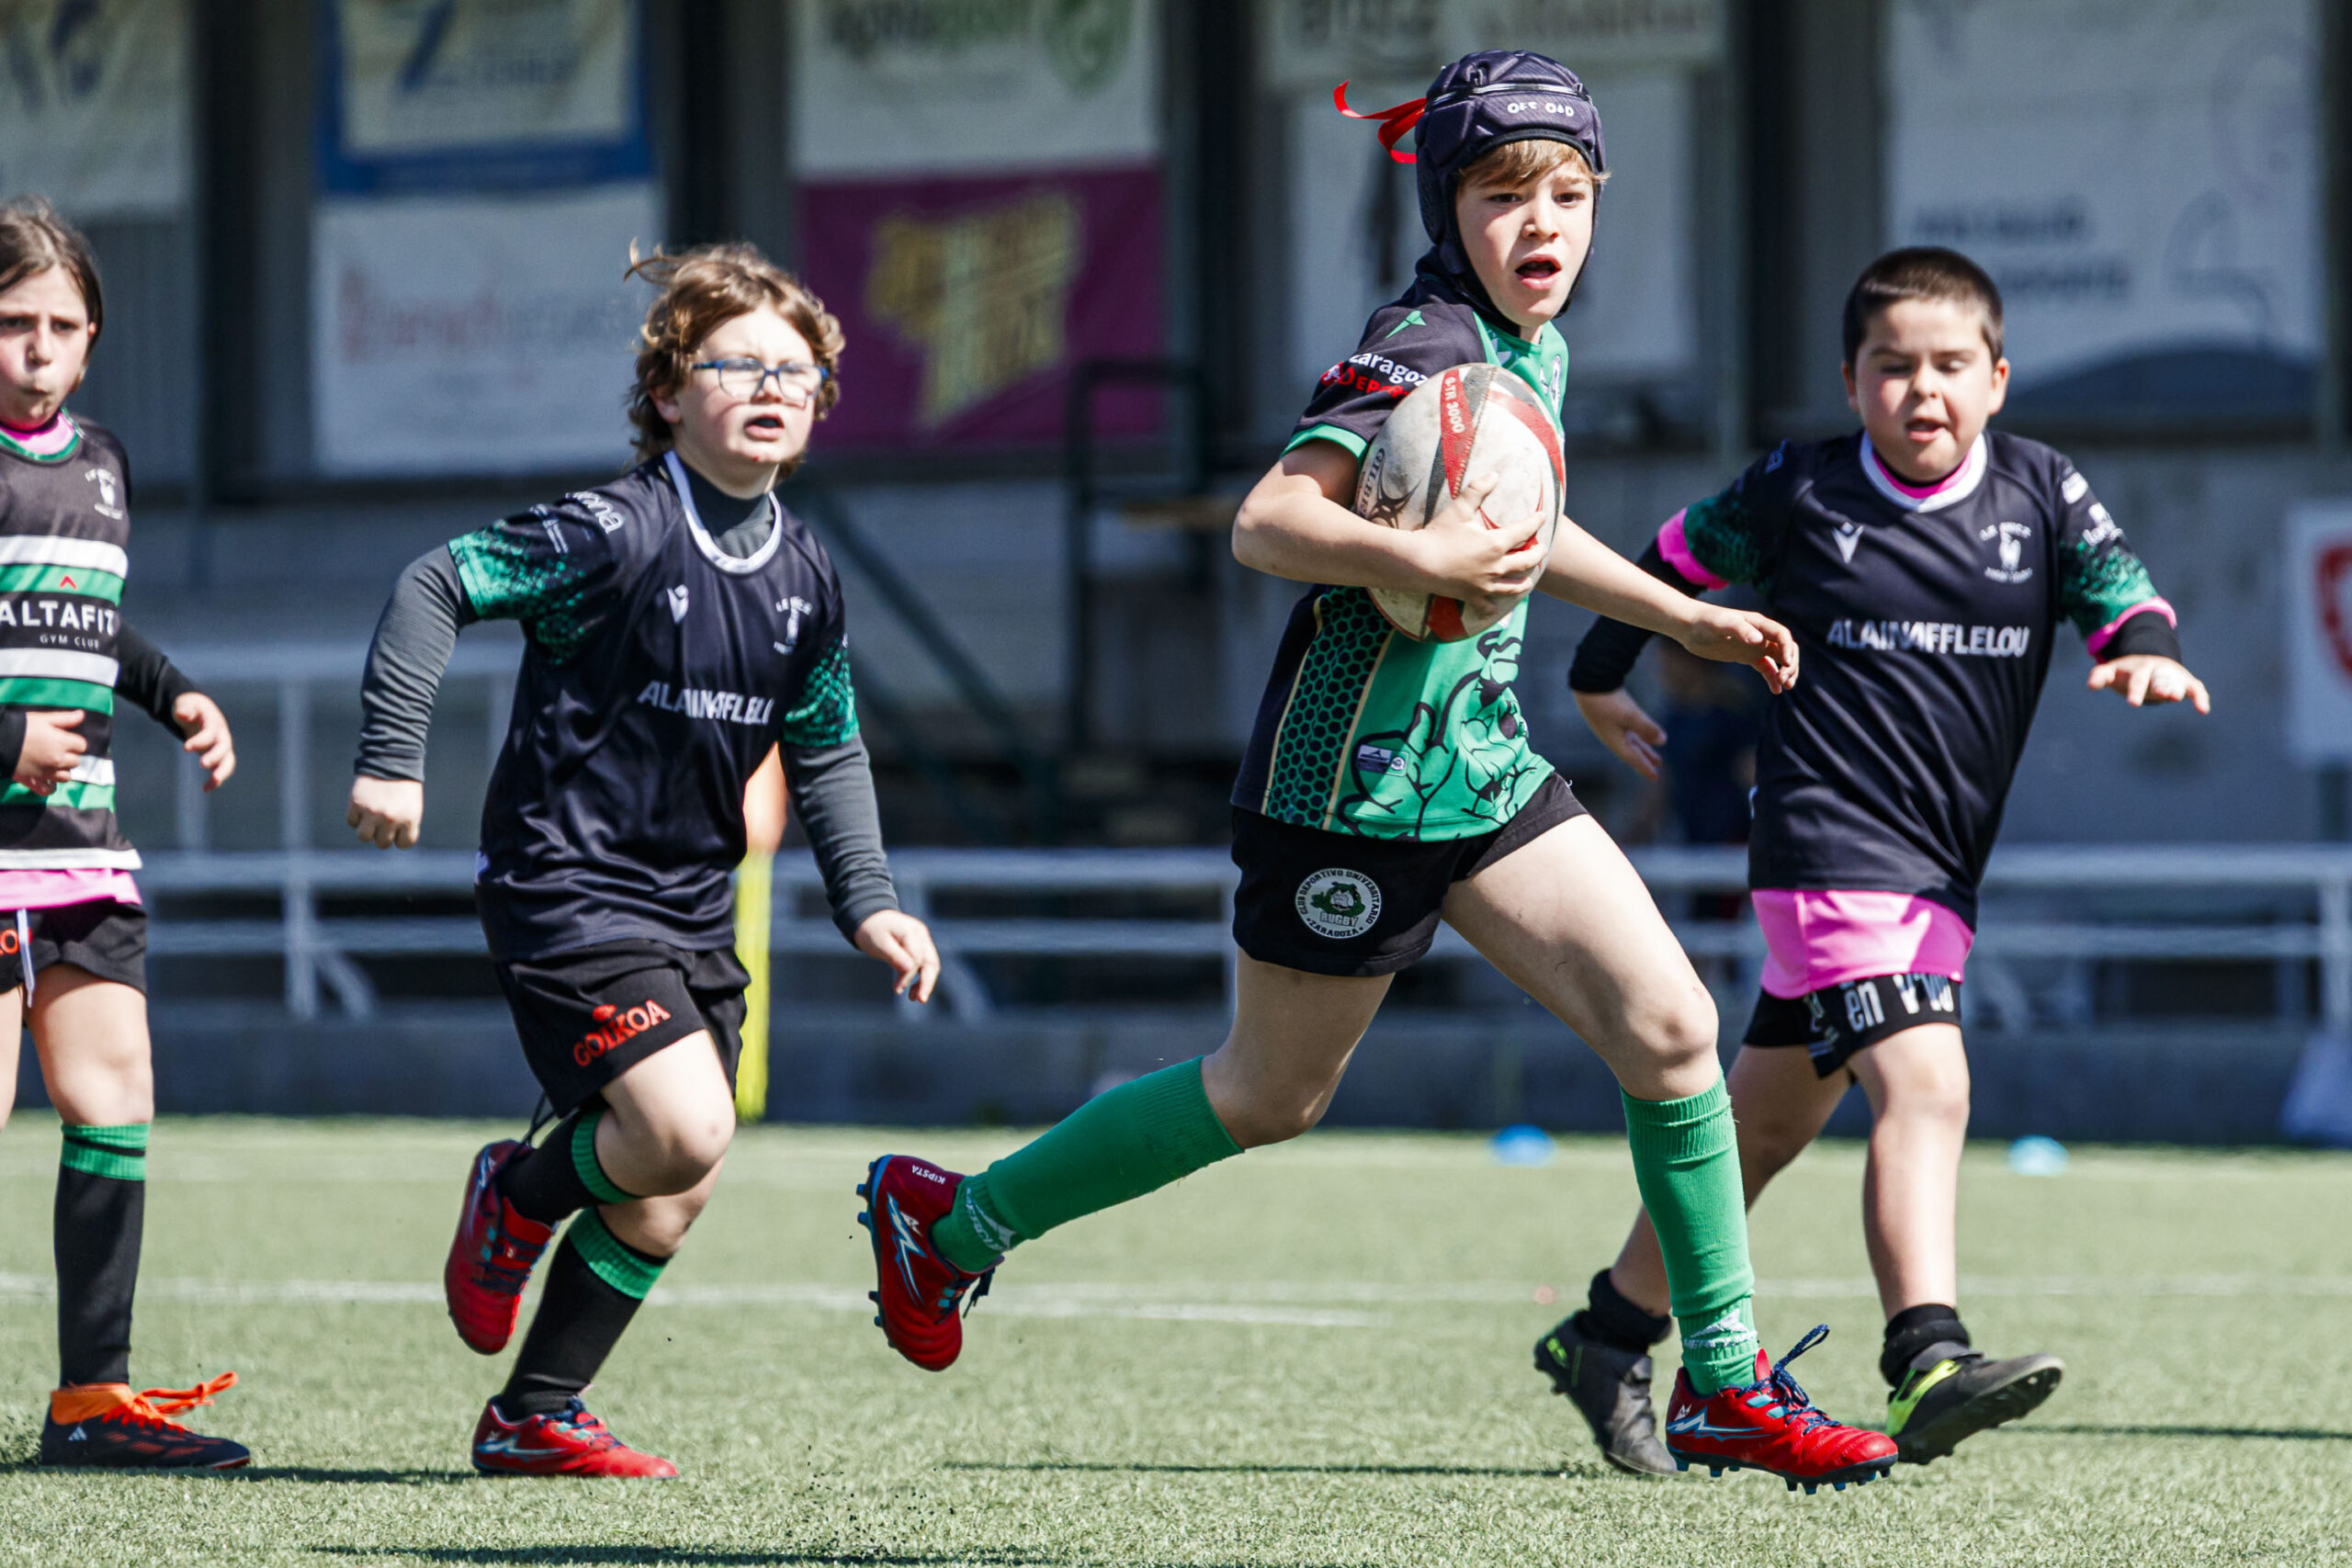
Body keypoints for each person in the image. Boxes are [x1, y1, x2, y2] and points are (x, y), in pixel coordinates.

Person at [859, 51, 1898, 1493]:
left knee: (1670, 1029)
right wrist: (1412, 557)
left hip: (1475, 765)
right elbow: (1270, 519)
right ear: (1445, 202)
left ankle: (1722, 1375)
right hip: (1344, 785)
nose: (1541, 223)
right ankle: (953, 1224)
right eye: (1501, 194)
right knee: (1267, 1095)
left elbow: (1520, 524)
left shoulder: (1532, 344)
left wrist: (1679, 611)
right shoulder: (1418, 344)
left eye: (1568, 194)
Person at [1551, 246, 2209, 1471]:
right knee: (1930, 1083)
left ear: (1998, 378)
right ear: (1851, 382)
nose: (1924, 390)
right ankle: (1927, 1357)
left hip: (1939, 871)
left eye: (1951, 366)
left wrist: (2143, 644)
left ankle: (1609, 1332)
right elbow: (1666, 563)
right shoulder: (1800, 489)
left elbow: (2117, 583)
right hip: (1824, 843)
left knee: (1755, 1134)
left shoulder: (2041, 493)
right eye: (1893, 367)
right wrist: (1597, 677)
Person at [347, 243, 941, 1479]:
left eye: (799, 370)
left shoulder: (809, 576)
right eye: (737, 365)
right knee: (680, 1126)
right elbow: (434, 580)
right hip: (565, 883)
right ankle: (515, 1195)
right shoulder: (610, 532)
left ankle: (535, 1415)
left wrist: (871, 902)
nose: (773, 386)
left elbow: (826, 750)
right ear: (669, 392)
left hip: (690, 907)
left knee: (674, 1184)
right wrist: (392, 756)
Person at [0, 197, 245, 1469]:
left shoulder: (103, 461)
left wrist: (172, 692)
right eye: (11, 323)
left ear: (91, 342)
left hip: (80, 848)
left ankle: (92, 1401)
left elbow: (93, 628)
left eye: (61, 325)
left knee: (115, 1096)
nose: (36, 346)